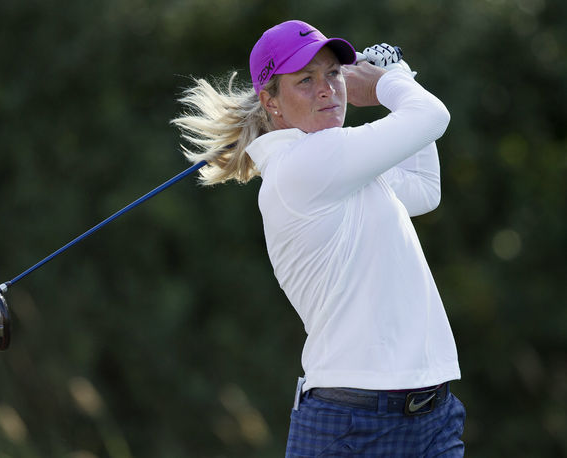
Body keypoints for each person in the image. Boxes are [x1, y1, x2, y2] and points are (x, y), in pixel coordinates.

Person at [172, 19, 465, 457]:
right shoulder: (305, 164)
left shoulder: (336, 164)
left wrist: (397, 75)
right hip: (353, 425)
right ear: (271, 102)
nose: (327, 90)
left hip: (432, 416)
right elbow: (431, 116)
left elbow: (424, 189)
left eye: (333, 74)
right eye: (305, 80)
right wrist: (387, 82)